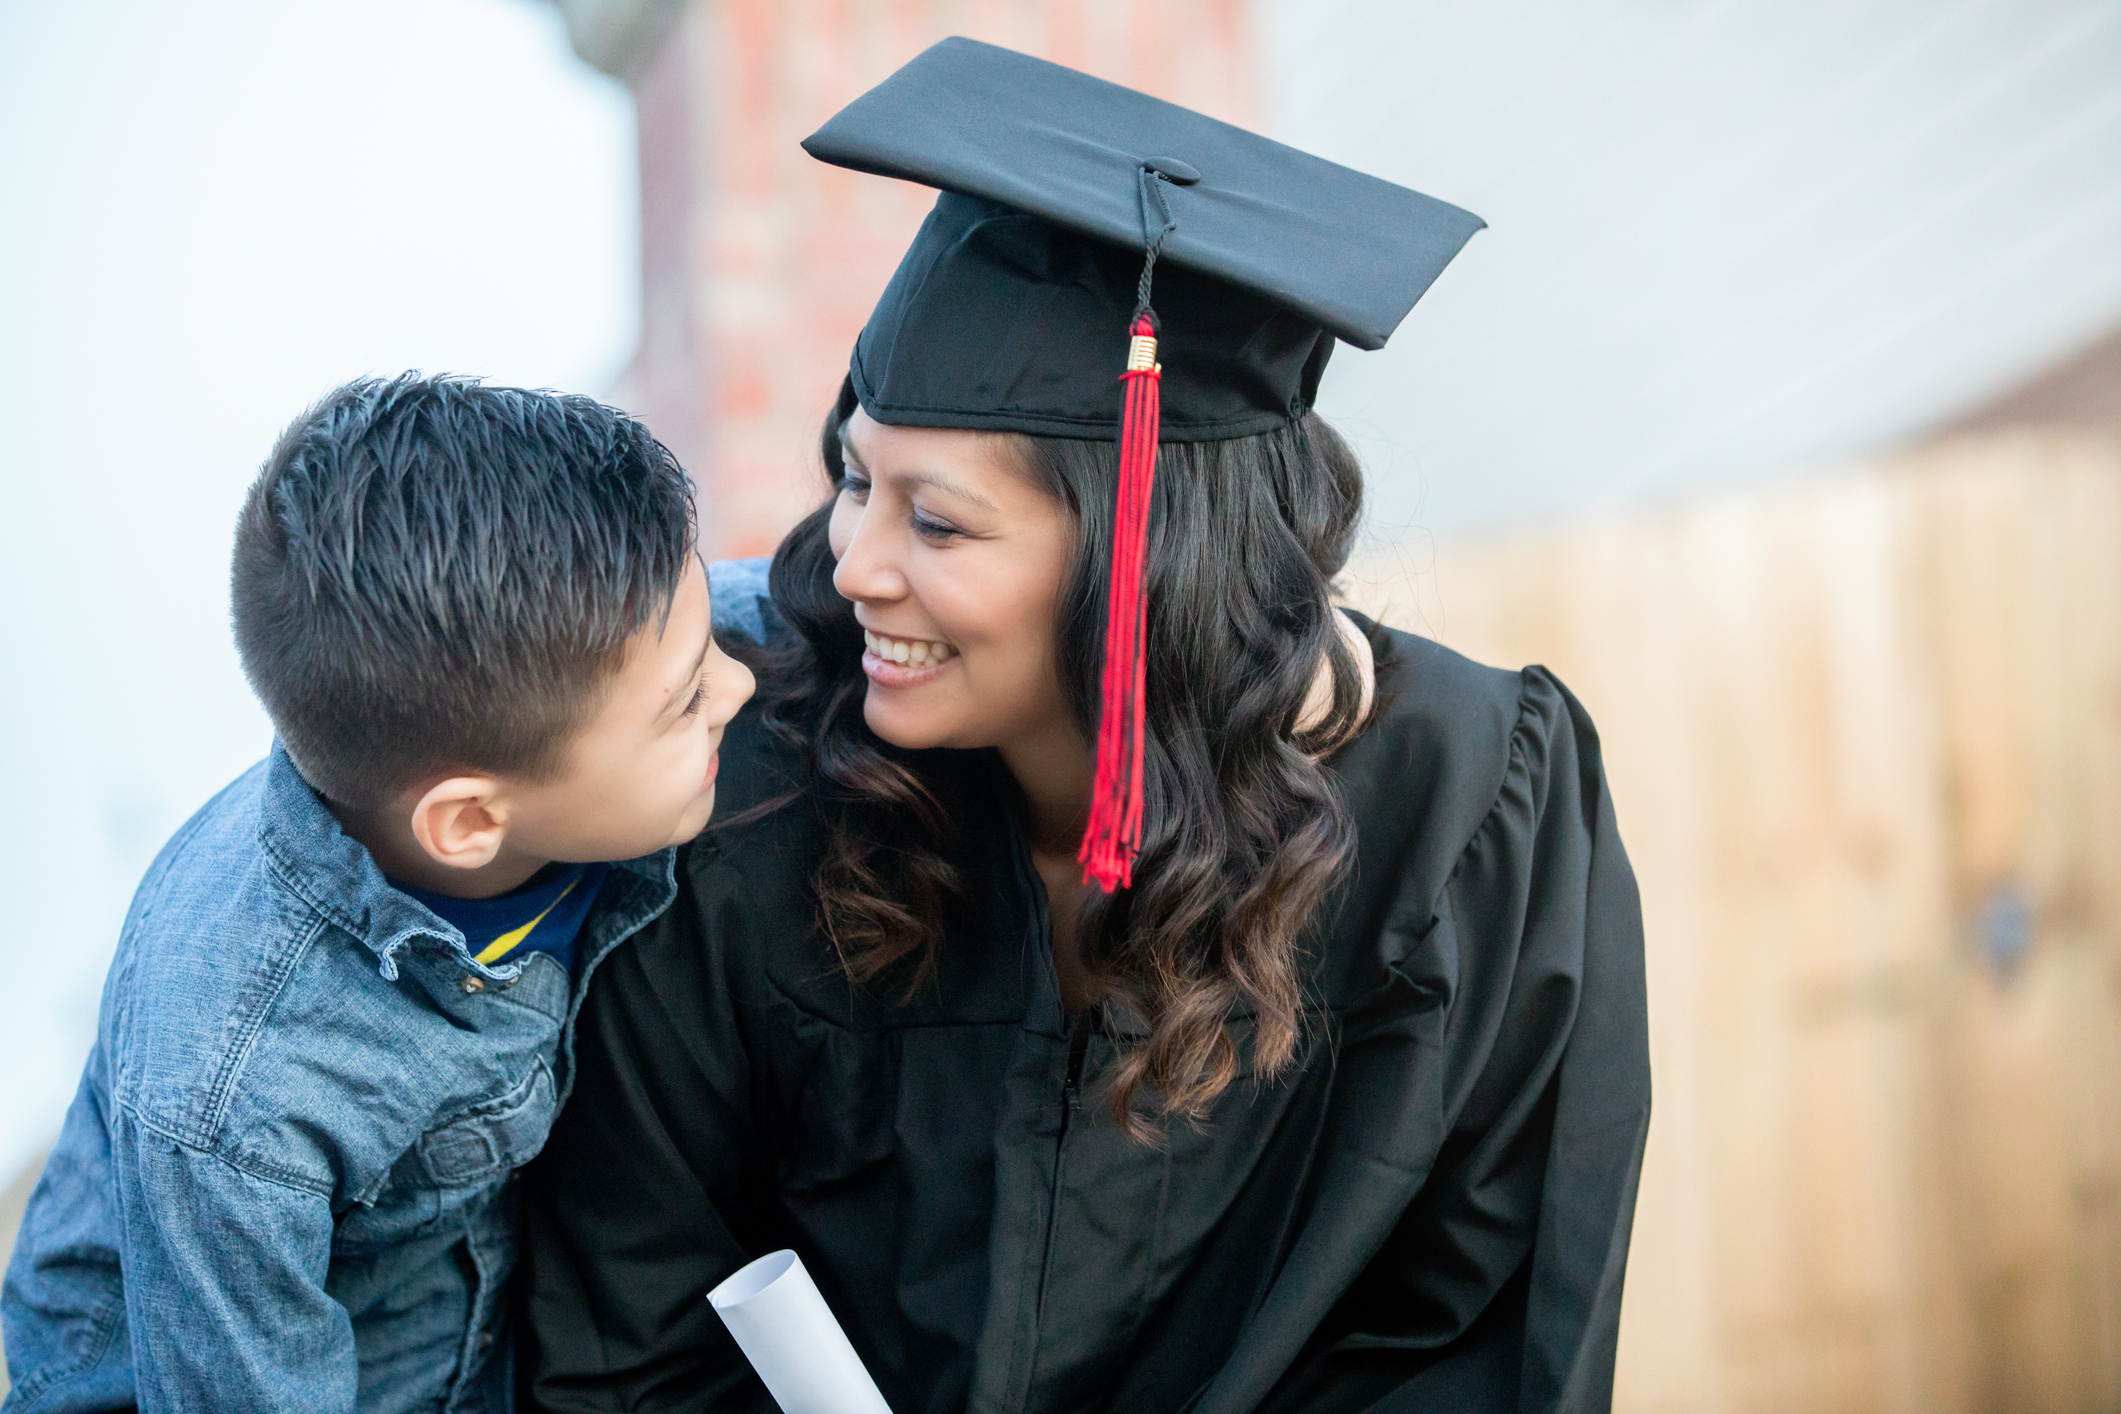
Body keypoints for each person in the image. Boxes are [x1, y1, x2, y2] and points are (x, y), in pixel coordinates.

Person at [520, 37, 1650, 1414]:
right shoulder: (751, 779)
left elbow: (1478, 1336)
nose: (853, 558)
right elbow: (627, 1321)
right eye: (851, 475)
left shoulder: (1474, 813)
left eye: (937, 520)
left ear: (1148, 561)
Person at [0, 375, 757, 1414]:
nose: (739, 685)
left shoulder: (581, 684)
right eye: (686, 703)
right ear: (469, 822)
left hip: (464, 1327)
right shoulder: (235, 1086)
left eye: (705, 639)